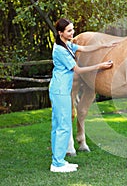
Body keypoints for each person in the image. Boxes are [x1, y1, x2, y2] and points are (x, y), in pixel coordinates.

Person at [49, 18, 114, 173]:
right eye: (69, 31)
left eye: (73, 29)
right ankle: (57, 164)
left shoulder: (68, 45)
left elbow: (86, 49)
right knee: (63, 125)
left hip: (61, 89)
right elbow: (77, 70)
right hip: (60, 90)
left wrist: (105, 45)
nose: (73, 33)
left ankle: (59, 160)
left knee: (59, 125)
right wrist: (99, 66)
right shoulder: (61, 50)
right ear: (60, 33)